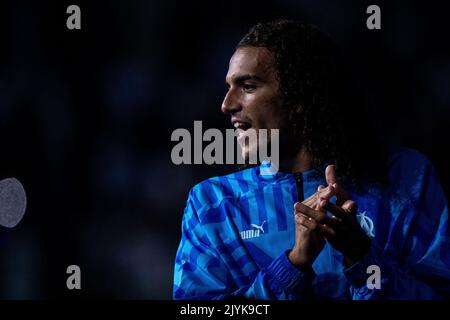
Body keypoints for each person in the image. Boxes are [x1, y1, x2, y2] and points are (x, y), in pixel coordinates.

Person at [173, 20, 450, 299]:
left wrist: (362, 257)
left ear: (300, 95)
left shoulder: (406, 177)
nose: (226, 104)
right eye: (229, 86)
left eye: (247, 86)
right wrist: (291, 266)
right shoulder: (211, 204)